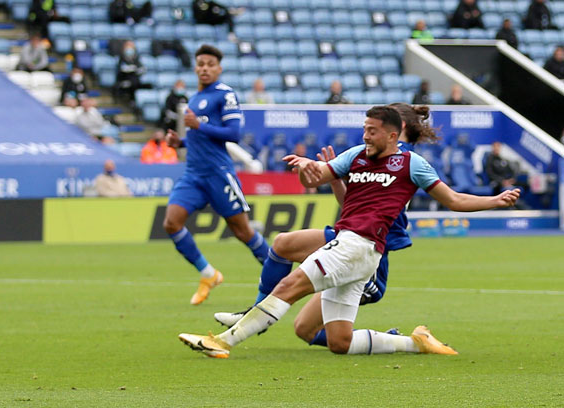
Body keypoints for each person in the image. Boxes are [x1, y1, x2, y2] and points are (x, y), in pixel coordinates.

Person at [179, 105, 520, 358]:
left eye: (372, 130)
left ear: (392, 134)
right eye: (364, 128)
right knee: (339, 342)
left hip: (361, 247)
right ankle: (414, 343)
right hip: (353, 245)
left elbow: (455, 200)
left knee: (290, 284)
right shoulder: (356, 155)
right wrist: (306, 169)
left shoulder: (411, 164)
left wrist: (496, 201)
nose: (365, 135)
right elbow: (319, 177)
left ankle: (223, 341)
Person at [214, 104, 440, 348]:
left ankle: (250, 318)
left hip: (369, 255)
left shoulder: (402, 160)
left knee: (286, 253)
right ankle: (403, 343)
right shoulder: (377, 155)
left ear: (398, 127)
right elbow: (351, 205)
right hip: (350, 238)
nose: (367, 135)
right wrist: (334, 177)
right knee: (305, 325)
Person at [163, 44, 270, 305]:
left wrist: (199, 124)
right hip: (193, 175)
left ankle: (278, 272)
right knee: (171, 223)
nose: (204, 68)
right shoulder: (194, 98)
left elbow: (233, 134)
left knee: (243, 231)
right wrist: (182, 143)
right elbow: (201, 136)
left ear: (219, 68)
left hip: (218, 174)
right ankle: (208, 274)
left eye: (210, 64)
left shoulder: (225, 94)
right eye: (200, 63)